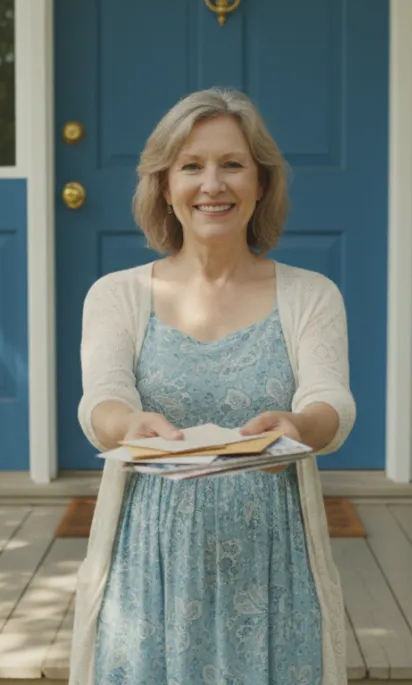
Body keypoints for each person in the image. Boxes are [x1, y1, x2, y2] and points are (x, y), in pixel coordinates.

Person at [67, 87, 356, 685]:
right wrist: (127, 426)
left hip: (275, 567)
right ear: (164, 185)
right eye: (191, 166)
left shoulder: (312, 295)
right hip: (148, 567)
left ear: (262, 183)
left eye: (232, 164)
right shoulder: (117, 295)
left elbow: (331, 403)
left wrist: (301, 427)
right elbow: (101, 400)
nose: (212, 184)